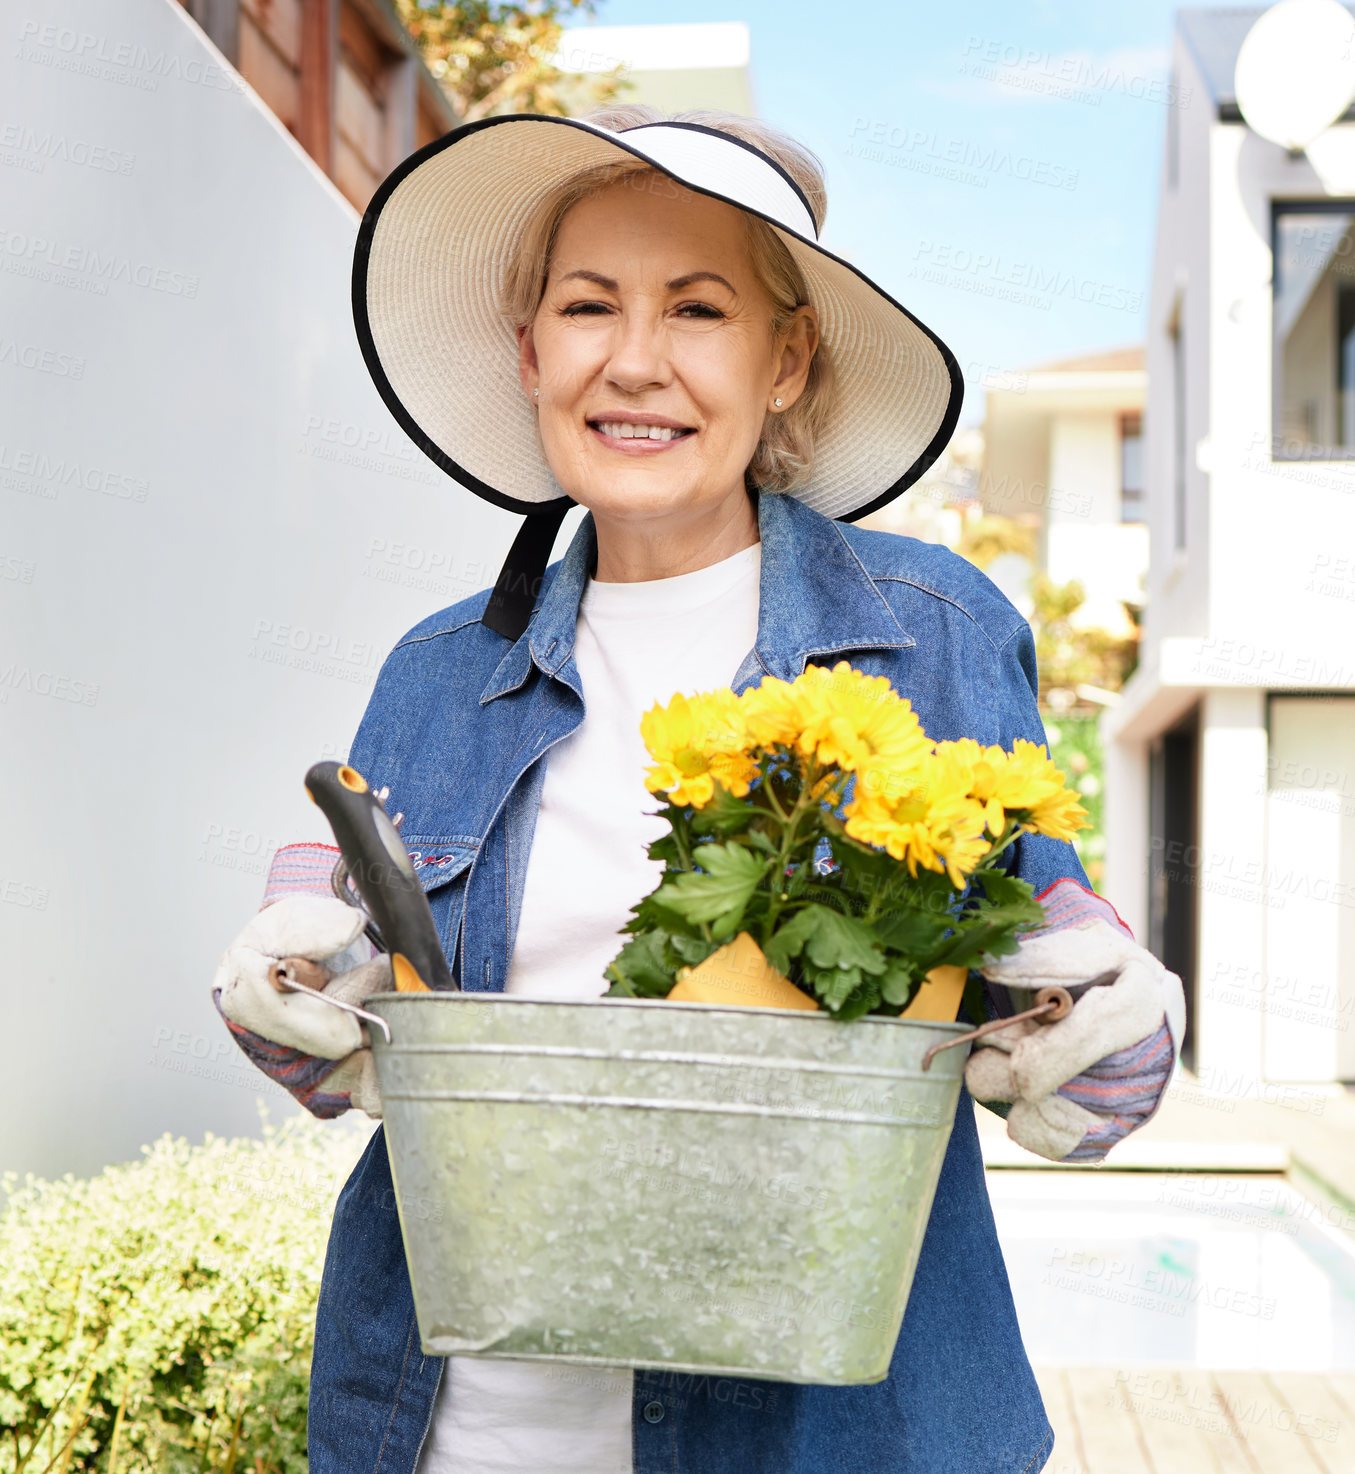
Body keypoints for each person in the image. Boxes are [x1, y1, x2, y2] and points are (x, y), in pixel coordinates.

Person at [213, 105, 1184, 1474]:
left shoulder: (940, 634)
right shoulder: (432, 675)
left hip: (836, 1436)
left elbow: (1059, 972)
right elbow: (358, 1008)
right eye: (590, 305)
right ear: (530, 349)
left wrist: (1116, 1032)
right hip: (462, 1431)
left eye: (700, 308)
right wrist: (292, 1004)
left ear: (786, 361)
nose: (636, 360)